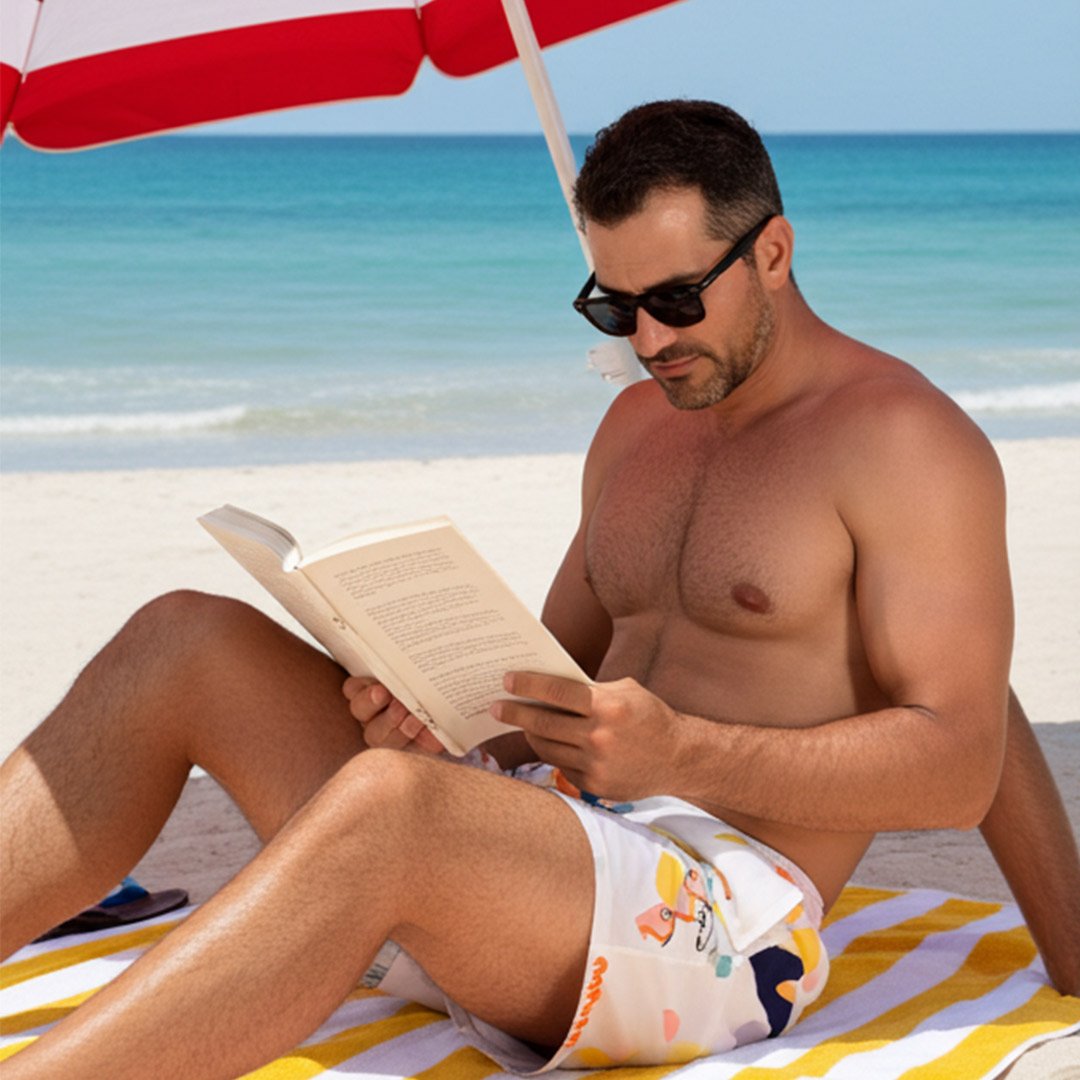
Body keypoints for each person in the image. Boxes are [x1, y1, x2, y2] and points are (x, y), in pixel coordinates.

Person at [1, 100, 1077, 1079]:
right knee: (185, 638)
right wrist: (425, 714)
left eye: (676, 300)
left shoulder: (904, 444)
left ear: (774, 253)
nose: (649, 341)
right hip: (542, 861)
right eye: (615, 308)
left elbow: (959, 762)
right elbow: (532, 697)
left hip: (716, 927)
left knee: (389, 806)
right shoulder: (637, 428)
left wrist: (680, 753)